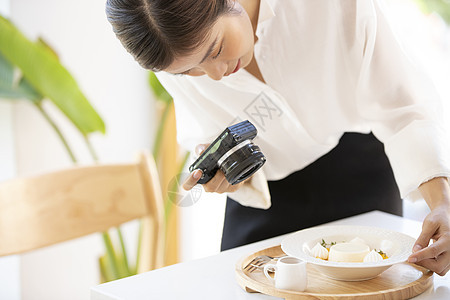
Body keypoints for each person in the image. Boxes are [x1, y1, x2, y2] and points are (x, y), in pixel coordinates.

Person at [105, 0, 450, 275]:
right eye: (188, 70)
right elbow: (208, 129)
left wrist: (443, 205)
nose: (214, 75)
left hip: (361, 173)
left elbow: (404, 106)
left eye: (216, 48)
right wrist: (226, 169)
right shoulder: (173, 56)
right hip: (267, 195)